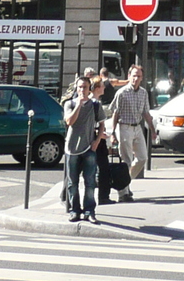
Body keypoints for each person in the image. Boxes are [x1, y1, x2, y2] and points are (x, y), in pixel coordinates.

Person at [108, 63, 153, 202]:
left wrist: (152, 129)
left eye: (138, 76)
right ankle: (123, 193)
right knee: (126, 160)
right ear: (129, 76)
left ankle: (125, 182)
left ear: (142, 78)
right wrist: (113, 133)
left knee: (142, 158)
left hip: (137, 127)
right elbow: (115, 113)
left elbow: (146, 113)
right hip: (124, 127)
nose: (136, 79)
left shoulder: (144, 93)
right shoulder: (121, 93)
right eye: (134, 76)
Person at [62, 75, 104, 222]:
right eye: (80, 87)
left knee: (90, 182)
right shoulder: (70, 104)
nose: (82, 90)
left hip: (88, 148)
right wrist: (79, 105)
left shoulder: (95, 105)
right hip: (72, 149)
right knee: (72, 182)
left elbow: (102, 124)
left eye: (85, 87)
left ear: (89, 89)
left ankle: (89, 211)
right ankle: (75, 210)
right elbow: (69, 121)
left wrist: (97, 141)